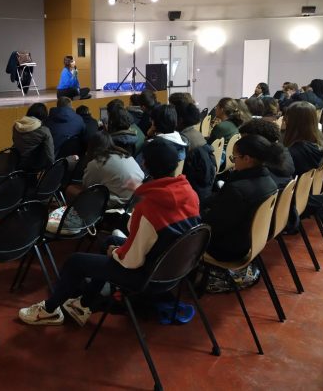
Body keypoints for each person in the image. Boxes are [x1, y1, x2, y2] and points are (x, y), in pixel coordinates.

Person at [18, 137, 201, 326]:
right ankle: (83, 304)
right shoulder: (190, 194)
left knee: (76, 261)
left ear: (146, 164)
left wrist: (114, 253)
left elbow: (131, 261)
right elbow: (164, 216)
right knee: (109, 240)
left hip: (149, 276)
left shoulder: (148, 210)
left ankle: (49, 310)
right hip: (174, 268)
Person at [202, 134, 281, 262]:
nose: (233, 161)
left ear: (247, 159)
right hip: (250, 241)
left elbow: (214, 225)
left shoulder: (237, 190)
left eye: (234, 157)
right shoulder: (270, 182)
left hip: (226, 249)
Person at [82, 131, 144, 209]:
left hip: (118, 204)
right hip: (133, 201)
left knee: (72, 190)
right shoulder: (124, 154)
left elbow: (87, 186)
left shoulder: (97, 163)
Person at [239, 119, 294, 189]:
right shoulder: (283, 154)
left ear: (257, 141)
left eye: (243, 140)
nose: (240, 143)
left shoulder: (261, 168)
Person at [12, 102, 54, 172]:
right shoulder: (44, 130)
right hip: (34, 166)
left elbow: (14, 142)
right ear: (44, 116)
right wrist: (52, 168)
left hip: (15, 163)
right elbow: (50, 154)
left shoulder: (16, 126)